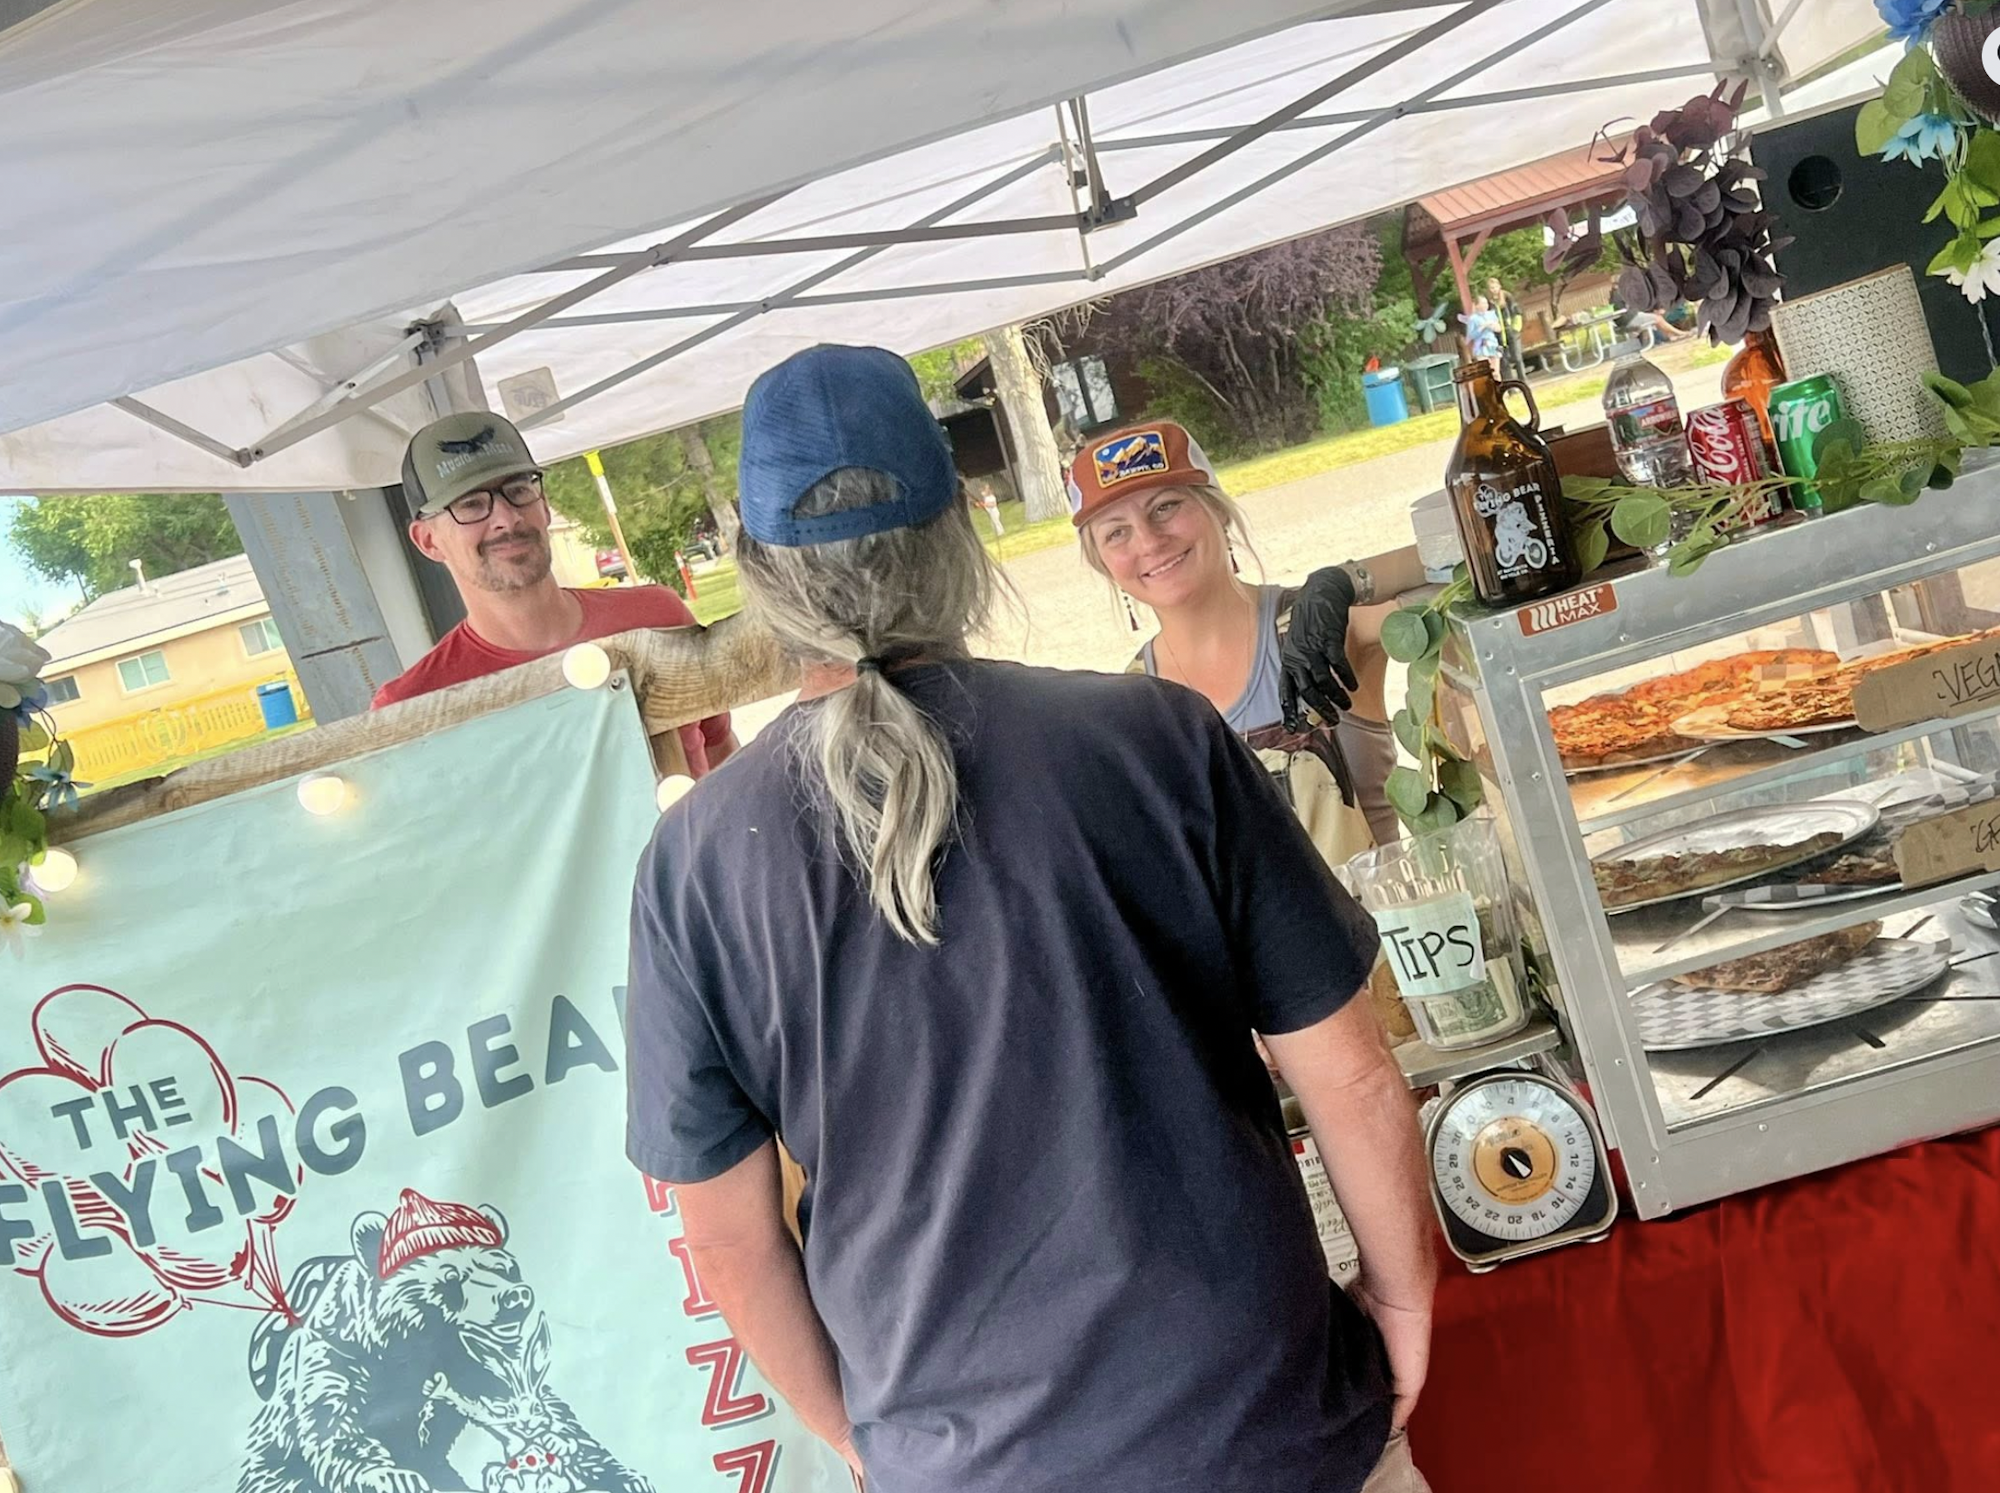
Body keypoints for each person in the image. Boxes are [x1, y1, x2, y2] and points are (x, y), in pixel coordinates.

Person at [624, 345, 1437, 1493]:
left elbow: (727, 1240)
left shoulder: (691, 864)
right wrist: (1400, 1296)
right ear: (961, 531)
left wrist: (868, 1441)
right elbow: (1348, 1076)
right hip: (1264, 1422)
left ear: (757, 577)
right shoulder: (1153, 737)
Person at [1069, 419, 1401, 857]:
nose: (1149, 541)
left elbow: (1467, 572)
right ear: (1103, 564)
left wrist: (1345, 582)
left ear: (1218, 509)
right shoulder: (1134, 706)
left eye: (1165, 507)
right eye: (1116, 532)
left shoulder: (1319, 626)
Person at [373, 412, 734, 775]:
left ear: (544, 506)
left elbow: (723, 756)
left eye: (518, 490)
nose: (507, 518)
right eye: (471, 504)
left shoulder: (658, 617)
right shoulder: (410, 708)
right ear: (428, 541)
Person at [1485, 276, 1527, 382]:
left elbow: (1517, 312)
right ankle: (1510, 384)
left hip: (1511, 331)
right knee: (1504, 360)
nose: (1494, 290)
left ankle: (1523, 380)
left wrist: (1516, 328)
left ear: (1499, 286)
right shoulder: (1489, 302)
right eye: (1491, 288)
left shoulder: (1507, 296)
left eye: (1495, 287)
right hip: (1498, 334)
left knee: (1517, 357)